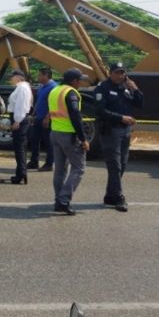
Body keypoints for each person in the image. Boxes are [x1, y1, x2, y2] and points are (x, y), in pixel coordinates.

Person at [94, 62, 144, 213]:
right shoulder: (103, 88)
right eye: (117, 72)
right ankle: (119, 197)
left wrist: (135, 90)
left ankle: (110, 195)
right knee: (114, 165)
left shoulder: (126, 88)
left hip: (125, 131)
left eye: (122, 72)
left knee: (122, 164)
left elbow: (139, 104)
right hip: (110, 131)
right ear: (110, 73)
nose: (120, 75)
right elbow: (100, 111)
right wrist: (121, 118)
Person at [46, 68, 89, 216]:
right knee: (79, 168)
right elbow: (75, 116)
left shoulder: (55, 90)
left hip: (55, 132)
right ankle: (64, 201)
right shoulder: (71, 93)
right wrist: (83, 139)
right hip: (69, 135)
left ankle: (58, 199)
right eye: (79, 81)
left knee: (60, 170)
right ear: (74, 81)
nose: (80, 84)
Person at [7, 69, 34, 185]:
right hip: (21, 118)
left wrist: (17, 120)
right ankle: (21, 173)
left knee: (19, 148)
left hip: (20, 119)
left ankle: (21, 174)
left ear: (18, 77)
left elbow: (21, 105)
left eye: (12, 77)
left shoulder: (22, 88)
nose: (11, 79)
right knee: (20, 147)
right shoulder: (22, 87)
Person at [28, 68, 57, 172]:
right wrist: (33, 114)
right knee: (34, 140)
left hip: (46, 119)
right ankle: (33, 162)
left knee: (48, 142)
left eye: (40, 75)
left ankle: (49, 164)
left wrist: (47, 117)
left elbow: (54, 105)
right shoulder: (42, 87)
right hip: (38, 118)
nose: (38, 77)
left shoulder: (54, 87)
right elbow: (38, 102)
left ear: (46, 75)